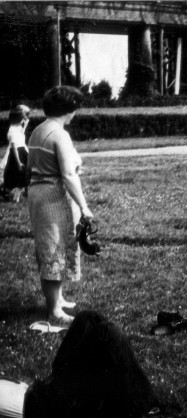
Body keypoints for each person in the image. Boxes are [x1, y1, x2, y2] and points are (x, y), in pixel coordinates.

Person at [0, 311, 158, 418]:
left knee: (88, 318)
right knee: (106, 333)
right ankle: (134, 417)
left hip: (45, 391)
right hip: (46, 415)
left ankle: (131, 402)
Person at [26, 86, 93, 326]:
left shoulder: (38, 129)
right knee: (53, 247)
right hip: (52, 193)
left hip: (38, 191)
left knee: (57, 244)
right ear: (69, 109)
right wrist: (84, 207)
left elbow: (32, 166)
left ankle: (59, 298)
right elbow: (67, 174)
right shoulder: (59, 134)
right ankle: (54, 310)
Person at [3, 104, 30, 202]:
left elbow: (20, 136)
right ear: (19, 119)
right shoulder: (12, 131)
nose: (24, 119)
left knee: (25, 173)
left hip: (22, 151)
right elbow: (14, 147)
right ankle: (15, 195)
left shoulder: (17, 128)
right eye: (23, 118)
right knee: (19, 175)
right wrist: (18, 162)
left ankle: (23, 192)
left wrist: (25, 126)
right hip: (17, 154)